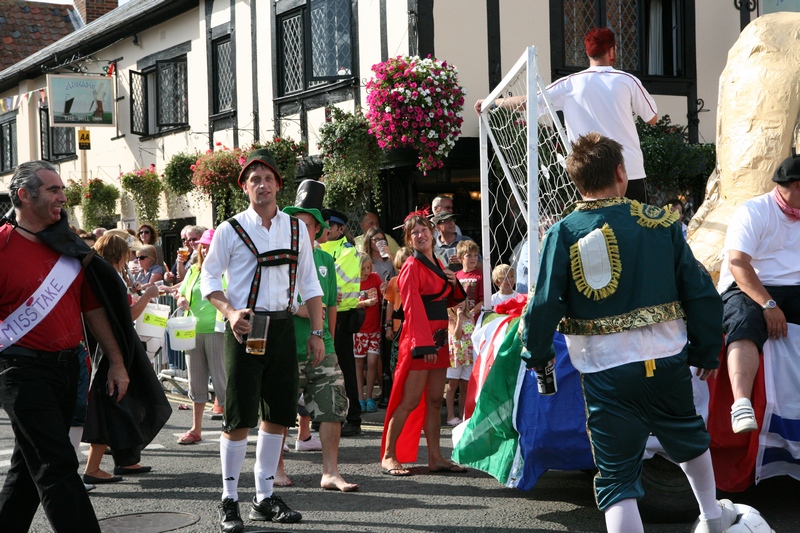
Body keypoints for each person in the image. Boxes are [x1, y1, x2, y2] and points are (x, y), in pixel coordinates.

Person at [521, 133, 736, 533]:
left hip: (605, 369)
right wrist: (707, 349)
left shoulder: (563, 232)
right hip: (667, 359)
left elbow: (544, 303)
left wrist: (536, 354)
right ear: (621, 173)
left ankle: (711, 516)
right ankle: (711, 516)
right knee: (687, 435)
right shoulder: (661, 223)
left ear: (577, 181)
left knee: (617, 475)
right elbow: (700, 291)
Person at [0, 161, 130, 532]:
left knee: (27, 469)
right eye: (53, 190)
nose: (62, 197)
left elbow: (92, 307)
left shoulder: (67, 245)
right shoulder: (2, 244)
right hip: (20, 370)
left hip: (68, 366)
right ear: (25, 195)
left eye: (62, 189)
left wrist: (117, 362)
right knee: (56, 465)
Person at [201, 148, 325, 532]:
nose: (263, 185)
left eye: (269, 178)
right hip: (248, 326)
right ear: (245, 187)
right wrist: (229, 312)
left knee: (277, 414)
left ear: (278, 185)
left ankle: (264, 497)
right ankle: (229, 499)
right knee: (239, 415)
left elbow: (310, 283)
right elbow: (209, 278)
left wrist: (317, 332)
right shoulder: (230, 229)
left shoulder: (296, 229)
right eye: (255, 179)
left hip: (284, 326)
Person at [475, 27, 657, 203]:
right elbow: (652, 118)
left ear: (587, 53)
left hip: (590, 173)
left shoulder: (570, 84)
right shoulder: (627, 81)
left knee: (596, 223)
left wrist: (492, 102)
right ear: (612, 51)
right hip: (628, 170)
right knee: (635, 222)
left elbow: (528, 102)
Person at [281, 180, 358, 491]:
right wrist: (298, 309)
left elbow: (331, 306)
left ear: (317, 230)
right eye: (295, 224)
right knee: (278, 412)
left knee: (332, 407)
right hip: (286, 347)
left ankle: (330, 473)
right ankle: (275, 470)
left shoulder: (326, 260)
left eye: (306, 225)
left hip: (321, 347)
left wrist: (330, 341)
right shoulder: (279, 257)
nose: (300, 230)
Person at [380, 212, 468, 476]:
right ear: (409, 240)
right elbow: (412, 307)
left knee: (434, 400)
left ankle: (435, 457)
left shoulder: (438, 263)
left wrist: (453, 281)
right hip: (421, 337)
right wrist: (424, 344)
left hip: (438, 335)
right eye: (414, 233)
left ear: (432, 233)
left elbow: (446, 299)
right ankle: (388, 456)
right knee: (409, 400)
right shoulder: (411, 265)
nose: (420, 235)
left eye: (424, 230)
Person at [718, 153, 800, 434]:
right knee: (744, 319)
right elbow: (738, 265)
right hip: (748, 285)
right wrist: (769, 304)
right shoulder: (754, 211)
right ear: (797, 185)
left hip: (795, 287)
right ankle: (741, 404)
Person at [82, 233, 157, 484]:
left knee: (121, 402)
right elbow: (128, 316)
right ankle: (92, 468)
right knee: (111, 404)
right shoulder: (110, 277)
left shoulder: (105, 276)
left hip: (111, 347)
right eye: (128, 252)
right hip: (112, 350)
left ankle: (126, 460)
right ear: (120, 253)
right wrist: (148, 296)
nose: (131, 256)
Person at [175, 228, 226, 445]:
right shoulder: (194, 271)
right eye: (203, 246)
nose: (205, 250)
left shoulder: (226, 271)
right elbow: (181, 291)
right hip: (192, 332)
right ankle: (196, 429)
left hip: (217, 331)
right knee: (196, 383)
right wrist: (180, 299)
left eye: (209, 246)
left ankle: (232, 426)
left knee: (223, 382)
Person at [320, 208, 364, 437]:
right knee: (320, 367)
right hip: (320, 312)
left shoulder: (347, 251)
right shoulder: (317, 247)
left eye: (330, 225)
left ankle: (353, 417)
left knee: (345, 368)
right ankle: (322, 415)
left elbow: (331, 280)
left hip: (342, 316)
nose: (326, 229)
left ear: (341, 229)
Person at [355, 253, 383, 413]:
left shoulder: (375, 278)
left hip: (375, 329)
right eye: (363, 268)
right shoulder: (353, 281)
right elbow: (347, 303)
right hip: (359, 330)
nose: (366, 271)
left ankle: (370, 396)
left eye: (368, 268)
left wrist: (385, 289)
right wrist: (363, 303)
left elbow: (383, 296)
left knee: (373, 363)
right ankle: (360, 397)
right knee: (359, 364)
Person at [445, 299, 474, 426]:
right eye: (456, 302)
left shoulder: (471, 316)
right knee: (452, 385)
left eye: (462, 301)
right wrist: (459, 318)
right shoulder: (450, 318)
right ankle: (450, 416)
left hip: (468, 356)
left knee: (465, 387)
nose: (460, 304)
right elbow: (456, 335)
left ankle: (463, 414)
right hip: (455, 356)